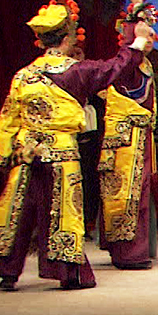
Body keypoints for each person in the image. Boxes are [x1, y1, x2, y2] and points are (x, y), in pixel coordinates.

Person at [0, 0, 153, 291]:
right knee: (62, 212)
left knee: (19, 209)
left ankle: (6, 268)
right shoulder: (75, 72)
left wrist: (3, 155)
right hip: (61, 153)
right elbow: (114, 68)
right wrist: (136, 44)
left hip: (27, 152)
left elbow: (8, 118)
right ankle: (69, 272)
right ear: (67, 37)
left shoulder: (23, 75)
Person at [97, 0, 158, 269]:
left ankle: (133, 249)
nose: (151, 38)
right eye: (145, 33)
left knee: (140, 193)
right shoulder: (127, 61)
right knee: (127, 193)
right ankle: (128, 252)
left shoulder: (142, 63)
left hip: (140, 136)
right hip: (126, 138)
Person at [69, 45, 104, 241]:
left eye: (79, 54)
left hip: (89, 140)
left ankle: (88, 223)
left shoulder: (91, 77)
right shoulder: (61, 77)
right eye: (72, 55)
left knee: (89, 181)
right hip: (68, 138)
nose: (76, 58)